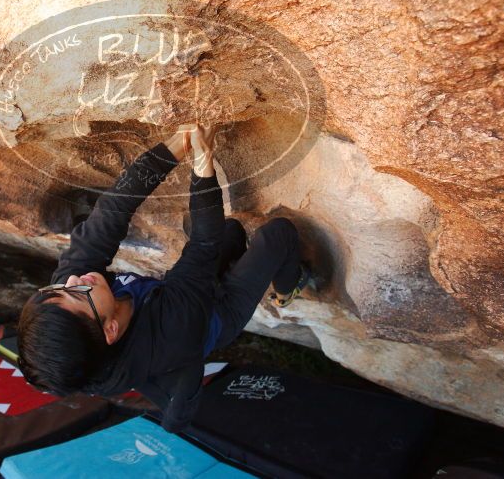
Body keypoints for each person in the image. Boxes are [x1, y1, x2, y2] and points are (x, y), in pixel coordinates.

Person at [17, 123, 308, 432]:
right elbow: (203, 246)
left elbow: (111, 212)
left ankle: (236, 258)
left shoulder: (72, 298)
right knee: (277, 236)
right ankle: (290, 287)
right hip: (212, 319)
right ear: (111, 329)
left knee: (232, 232)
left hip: (172, 299)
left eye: (60, 287)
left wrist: (173, 148)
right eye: (79, 292)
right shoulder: (169, 329)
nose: (75, 280)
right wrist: (202, 161)